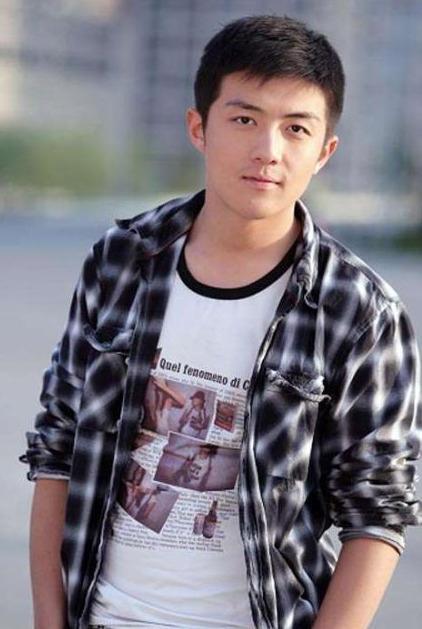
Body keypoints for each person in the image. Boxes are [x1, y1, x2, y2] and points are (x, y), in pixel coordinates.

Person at [20, 14, 422, 629]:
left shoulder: (361, 312)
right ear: (198, 127)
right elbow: (59, 449)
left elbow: (377, 511)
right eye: (244, 119)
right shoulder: (122, 261)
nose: (269, 150)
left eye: (296, 128)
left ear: (324, 152)